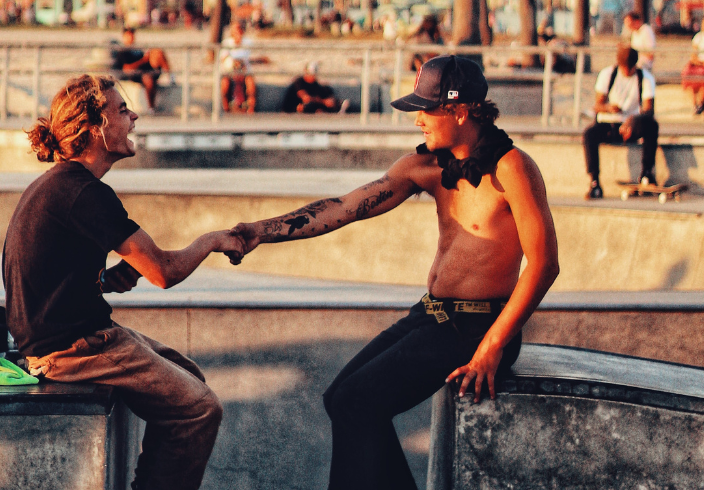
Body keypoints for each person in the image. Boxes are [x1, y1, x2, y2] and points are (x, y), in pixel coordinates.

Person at [228, 55, 560, 490]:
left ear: (460, 112)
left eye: (427, 109)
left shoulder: (512, 168)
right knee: (340, 399)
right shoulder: (424, 166)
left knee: (356, 402)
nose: (418, 120)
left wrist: (493, 346)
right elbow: (344, 208)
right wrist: (261, 231)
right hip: (432, 315)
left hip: (479, 324)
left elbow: (544, 263)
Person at [3, 74, 241, 490]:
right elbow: (164, 272)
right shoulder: (84, 193)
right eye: (122, 110)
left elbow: (51, 274)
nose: (133, 117)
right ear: (95, 127)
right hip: (73, 349)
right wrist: (212, 240)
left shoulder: (59, 186)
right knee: (201, 410)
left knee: (189, 378)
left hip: (63, 339)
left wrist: (106, 279)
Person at [582, 44, 658, 200]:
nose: (627, 72)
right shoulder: (608, 75)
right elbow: (597, 105)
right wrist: (609, 108)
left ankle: (647, 173)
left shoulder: (645, 78)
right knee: (589, 134)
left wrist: (633, 119)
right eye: (624, 68)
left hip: (633, 126)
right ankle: (594, 181)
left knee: (652, 125)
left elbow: (649, 110)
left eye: (630, 69)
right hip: (609, 125)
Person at [110, 27, 174, 112]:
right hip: (136, 74)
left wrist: (148, 57)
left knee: (158, 52)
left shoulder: (137, 50)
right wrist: (143, 60)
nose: (131, 38)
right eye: (129, 35)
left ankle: (171, 77)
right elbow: (127, 69)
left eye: (132, 35)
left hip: (146, 69)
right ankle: (151, 107)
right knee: (148, 79)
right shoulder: (123, 51)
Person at [220, 21, 263, 113]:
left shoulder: (248, 42)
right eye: (235, 29)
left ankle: (251, 109)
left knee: (250, 82)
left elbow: (254, 57)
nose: (238, 31)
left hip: (245, 71)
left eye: (239, 29)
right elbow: (223, 58)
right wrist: (233, 62)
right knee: (225, 83)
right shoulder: (227, 42)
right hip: (230, 71)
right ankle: (225, 108)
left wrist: (242, 63)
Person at [281, 61, 346, 113]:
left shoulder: (315, 84)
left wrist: (329, 101)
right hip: (294, 107)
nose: (312, 76)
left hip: (311, 105)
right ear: (306, 72)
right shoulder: (299, 82)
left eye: (313, 74)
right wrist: (324, 102)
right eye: (310, 74)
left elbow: (319, 94)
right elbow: (306, 98)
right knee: (309, 106)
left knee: (327, 94)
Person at [681, 14, 704, 115]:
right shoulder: (699, 37)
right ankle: (695, 104)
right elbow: (694, 55)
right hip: (699, 63)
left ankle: (701, 103)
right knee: (690, 75)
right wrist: (701, 62)